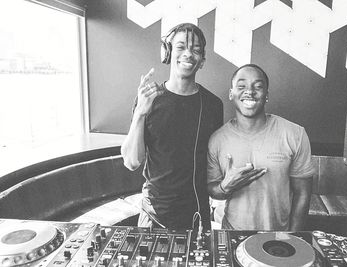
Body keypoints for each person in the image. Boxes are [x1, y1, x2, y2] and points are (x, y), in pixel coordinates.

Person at [121, 23, 223, 230]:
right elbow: (131, 161)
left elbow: (215, 162)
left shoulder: (213, 105)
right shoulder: (149, 99)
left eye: (195, 49)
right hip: (154, 214)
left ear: (202, 61)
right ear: (168, 52)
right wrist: (140, 112)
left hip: (196, 213)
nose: (188, 54)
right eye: (181, 47)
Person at [207, 64, 314, 231]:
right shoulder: (217, 139)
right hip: (232, 234)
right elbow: (213, 190)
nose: (249, 91)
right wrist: (225, 187)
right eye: (241, 86)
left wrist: (292, 238)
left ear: (266, 95)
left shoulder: (295, 134)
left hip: (279, 236)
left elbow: (303, 193)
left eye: (257, 87)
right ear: (231, 94)